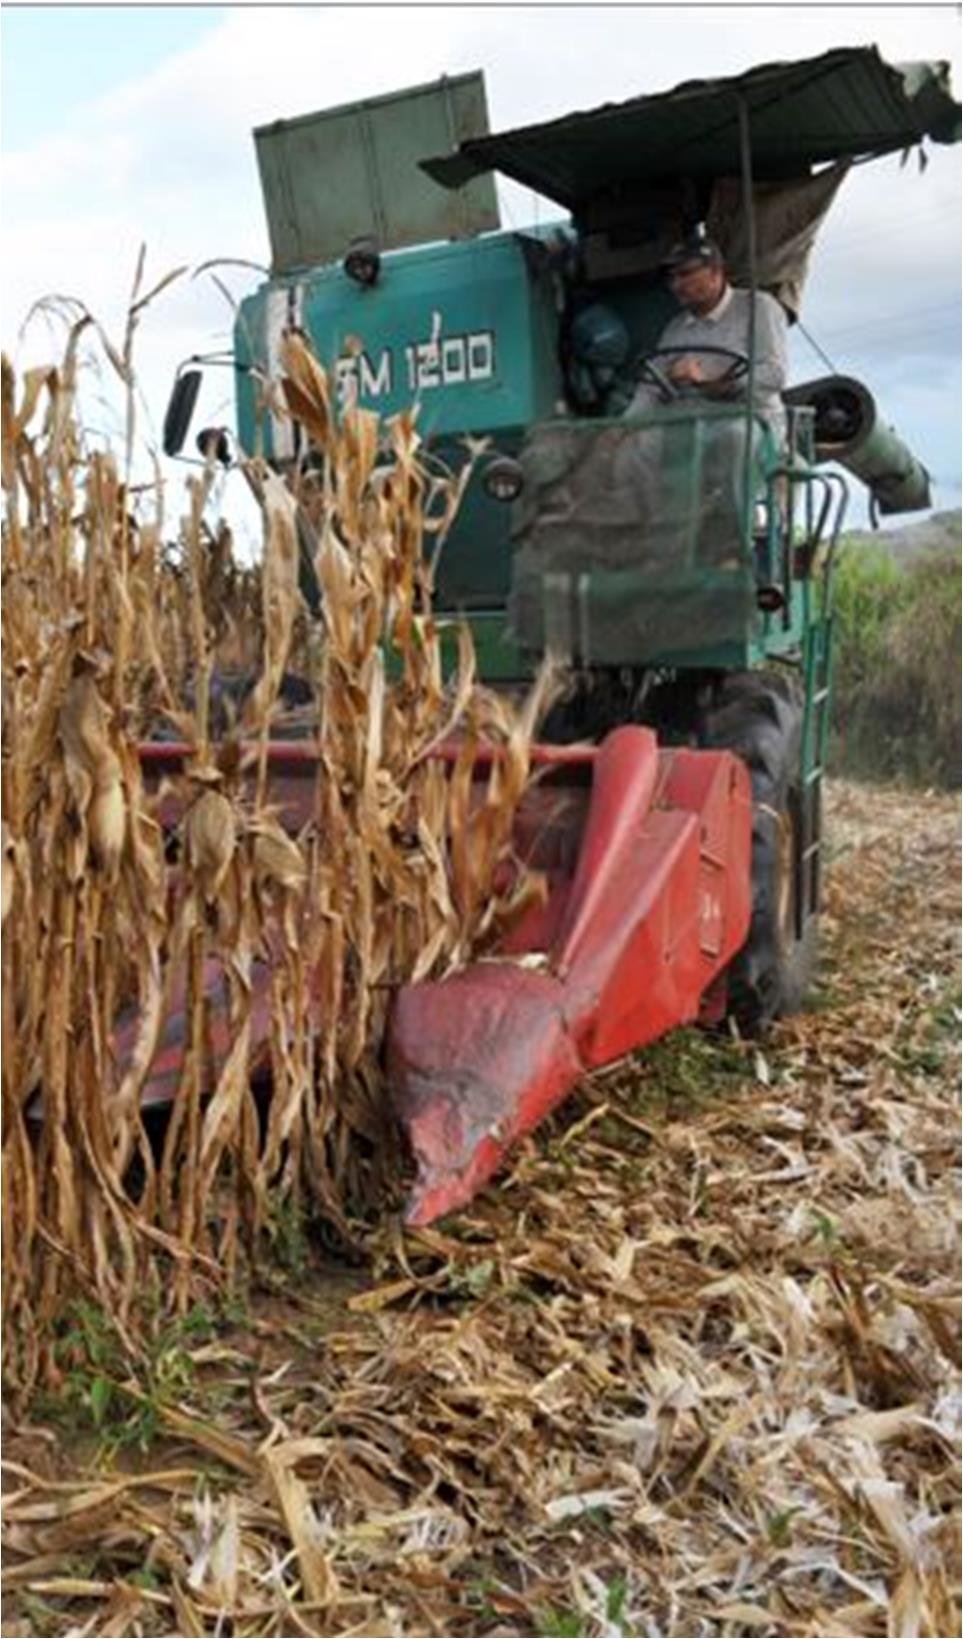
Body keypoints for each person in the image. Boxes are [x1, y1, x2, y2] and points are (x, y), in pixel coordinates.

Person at [626, 230, 789, 440]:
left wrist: (721, 383)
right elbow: (649, 388)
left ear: (715, 273)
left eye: (685, 274)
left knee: (733, 438)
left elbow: (775, 374)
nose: (676, 285)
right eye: (672, 277)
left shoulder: (758, 308)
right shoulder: (675, 327)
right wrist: (621, 428)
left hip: (752, 423)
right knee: (637, 448)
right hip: (693, 428)